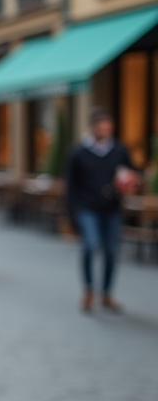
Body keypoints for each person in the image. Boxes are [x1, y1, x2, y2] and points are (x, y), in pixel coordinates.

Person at [66, 107, 140, 313]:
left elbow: (131, 171)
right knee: (90, 247)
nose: (105, 129)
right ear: (93, 127)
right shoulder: (78, 153)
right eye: (101, 126)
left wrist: (131, 180)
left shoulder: (119, 150)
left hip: (112, 209)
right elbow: (70, 187)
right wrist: (72, 215)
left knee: (110, 252)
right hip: (87, 208)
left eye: (108, 126)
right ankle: (89, 290)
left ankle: (106, 293)